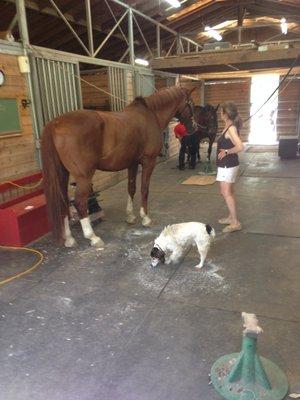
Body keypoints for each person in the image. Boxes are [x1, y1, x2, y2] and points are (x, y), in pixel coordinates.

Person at [216, 102, 244, 233]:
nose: (220, 114)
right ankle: (230, 217)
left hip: (228, 165)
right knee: (228, 192)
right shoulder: (228, 126)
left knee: (226, 193)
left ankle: (235, 222)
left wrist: (226, 152)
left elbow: (240, 146)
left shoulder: (231, 128)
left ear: (226, 114)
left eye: (221, 112)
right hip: (227, 165)